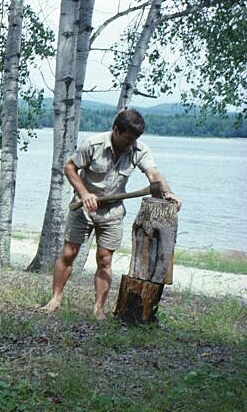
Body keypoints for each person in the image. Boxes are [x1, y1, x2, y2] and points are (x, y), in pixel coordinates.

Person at [41, 109, 182, 319]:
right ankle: (55, 299)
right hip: (83, 207)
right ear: (116, 130)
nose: (130, 144)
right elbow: (70, 168)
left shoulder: (138, 150)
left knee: (105, 259)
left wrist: (168, 192)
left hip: (112, 211)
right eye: (127, 139)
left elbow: (153, 174)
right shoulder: (93, 144)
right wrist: (84, 193)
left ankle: (98, 309)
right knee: (69, 253)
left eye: (134, 140)